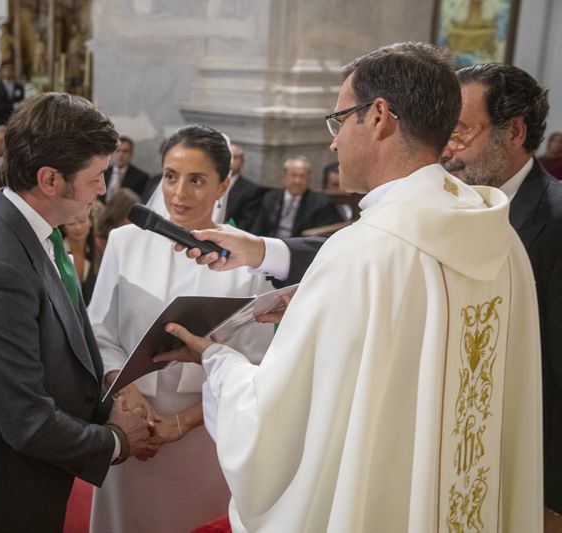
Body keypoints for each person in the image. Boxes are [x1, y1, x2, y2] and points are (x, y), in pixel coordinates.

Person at [157, 42, 543, 532]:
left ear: (379, 116)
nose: (334, 143)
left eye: (339, 121)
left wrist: (215, 360)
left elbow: (273, 425)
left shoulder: (363, 253)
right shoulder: (499, 237)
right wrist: (314, 312)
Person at [0, 92, 152, 532]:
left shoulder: (37, 230)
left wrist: (110, 407)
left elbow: (64, 351)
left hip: (26, 481)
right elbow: (26, 421)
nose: (103, 189)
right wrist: (117, 441)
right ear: (49, 180)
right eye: (95, 177)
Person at [88, 124, 275, 533]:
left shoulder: (247, 259)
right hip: (128, 420)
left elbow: (258, 363)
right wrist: (127, 393)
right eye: (171, 176)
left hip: (205, 432)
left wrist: (183, 423)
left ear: (224, 184)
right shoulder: (124, 243)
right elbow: (98, 329)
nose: (180, 193)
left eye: (196, 180)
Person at [440, 62, 562, 530]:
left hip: (528, 472)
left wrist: (550, 498)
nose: (446, 149)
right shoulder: (450, 206)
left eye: (461, 131)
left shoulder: (556, 222)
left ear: (513, 131)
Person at [251, 156, 344, 238]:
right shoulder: (270, 198)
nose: (297, 181)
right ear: (284, 177)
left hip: (298, 248)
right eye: (293, 175)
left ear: (309, 180)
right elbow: (258, 229)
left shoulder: (320, 203)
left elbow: (319, 237)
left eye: (302, 176)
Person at [213, 143, 261, 230]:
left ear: (242, 161)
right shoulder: (211, 182)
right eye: (227, 157)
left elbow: (247, 222)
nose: (230, 161)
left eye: (234, 157)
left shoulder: (251, 190)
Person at [60, 207, 100, 305]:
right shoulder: (56, 253)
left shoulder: (100, 251)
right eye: (71, 223)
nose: (78, 227)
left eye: (82, 221)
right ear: (63, 227)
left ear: (90, 222)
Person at [101, 136, 149, 202]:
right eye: (118, 151)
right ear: (112, 153)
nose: (121, 154)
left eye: (125, 151)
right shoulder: (102, 172)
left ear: (131, 154)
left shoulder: (141, 178)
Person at [0, 62, 24, 127]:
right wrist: (13, 106)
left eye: (10, 70)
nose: (8, 72)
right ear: (1, 72)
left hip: (15, 119)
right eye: (6, 70)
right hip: (1, 119)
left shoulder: (19, 87)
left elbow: (21, 102)